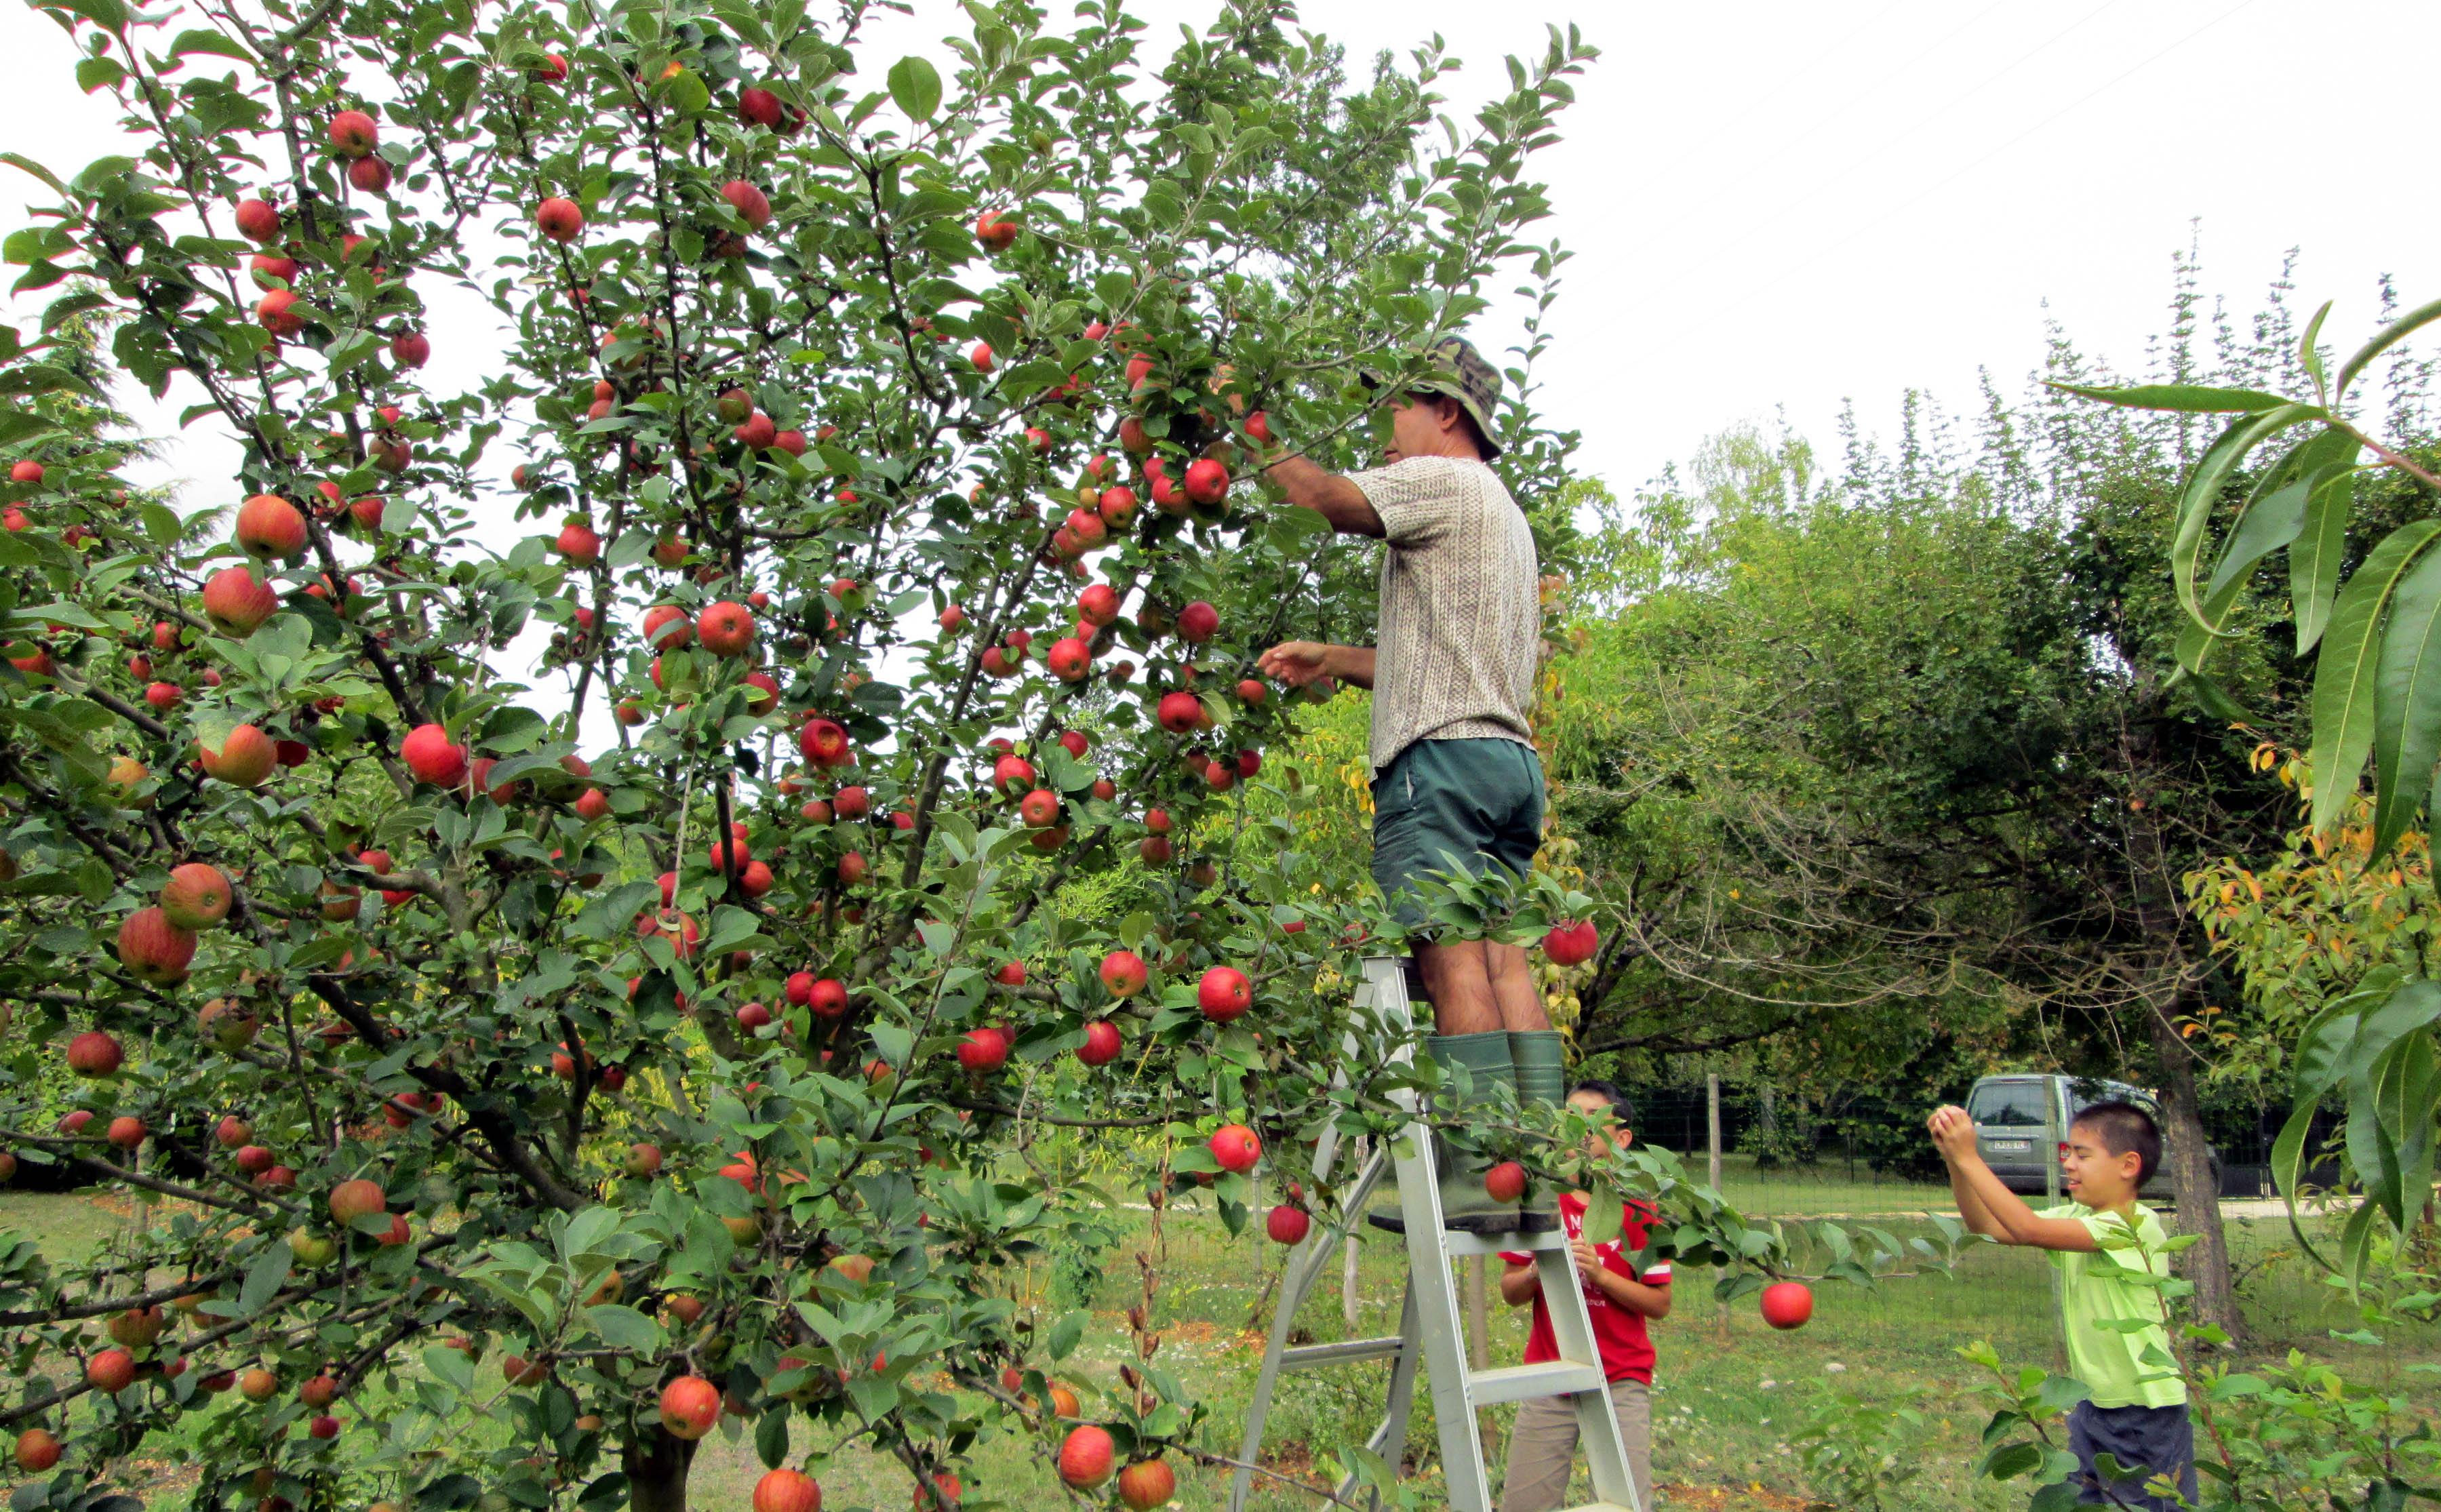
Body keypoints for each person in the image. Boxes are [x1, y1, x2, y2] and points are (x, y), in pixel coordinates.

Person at [1256, 333, 1558, 1230]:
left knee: (1448, 961)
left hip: (1439, 765)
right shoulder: (1506, 515)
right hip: (1506, 764)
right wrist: (1334, 658)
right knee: (1505, 961)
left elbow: (1325, 499)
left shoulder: (1444, 478)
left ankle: (1474, 1183)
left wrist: (1243, 414)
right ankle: (1531, 1175)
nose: (1384, 428)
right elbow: (1442, 660)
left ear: (1447, 415)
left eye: (1397, 407)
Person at [1927, 1098, 2196, 1512]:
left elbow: (2028, 1227)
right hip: (2094, 1404)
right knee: (2085, 1502)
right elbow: (1988, 1228)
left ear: (2128, 1165)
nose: (2069, 1164)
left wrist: (1971, 1156)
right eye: (2068, 1153)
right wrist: (1956, 1162)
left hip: (2143, 1412)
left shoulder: (2132, 1225)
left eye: (2083, 1155)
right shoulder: (2080, 1216)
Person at [1496, 1080, 1668, 1512]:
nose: (1580, 1129)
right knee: (1524, 1503)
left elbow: (1660, 1303)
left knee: (1623, 1503)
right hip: (1551, 1373)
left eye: (1593, 1119)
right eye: (1571, 1118)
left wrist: (1601, 1274)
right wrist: (1541, 1268)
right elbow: (1510, 1292)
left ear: (1622, 1138)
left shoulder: (1641, 1208)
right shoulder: (1541, 1200)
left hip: (1621, 1376)